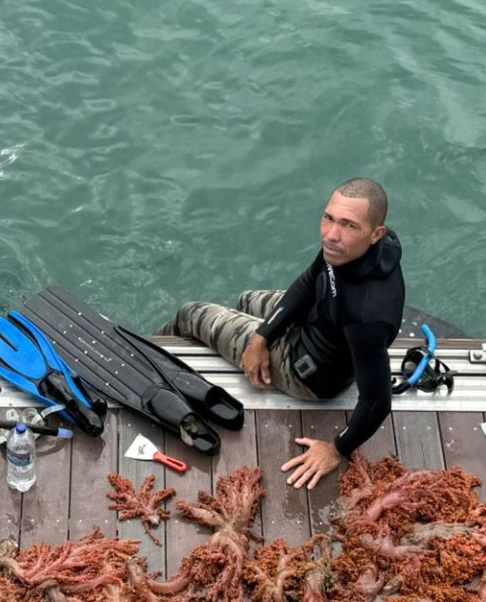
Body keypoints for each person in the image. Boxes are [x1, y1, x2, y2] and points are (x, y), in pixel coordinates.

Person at [171, 178, 404, 490]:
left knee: (191, 313)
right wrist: (261, 337)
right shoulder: (347, 250)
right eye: (328, 218)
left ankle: (143, 350)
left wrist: (336, 449)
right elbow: (311, 279)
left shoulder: (366, 316)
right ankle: (244, 330)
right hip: (316, 318)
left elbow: (377, 402)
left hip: (305, 370)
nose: (331, 235)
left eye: (349, 225)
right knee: (245, 298)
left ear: (377, 234)